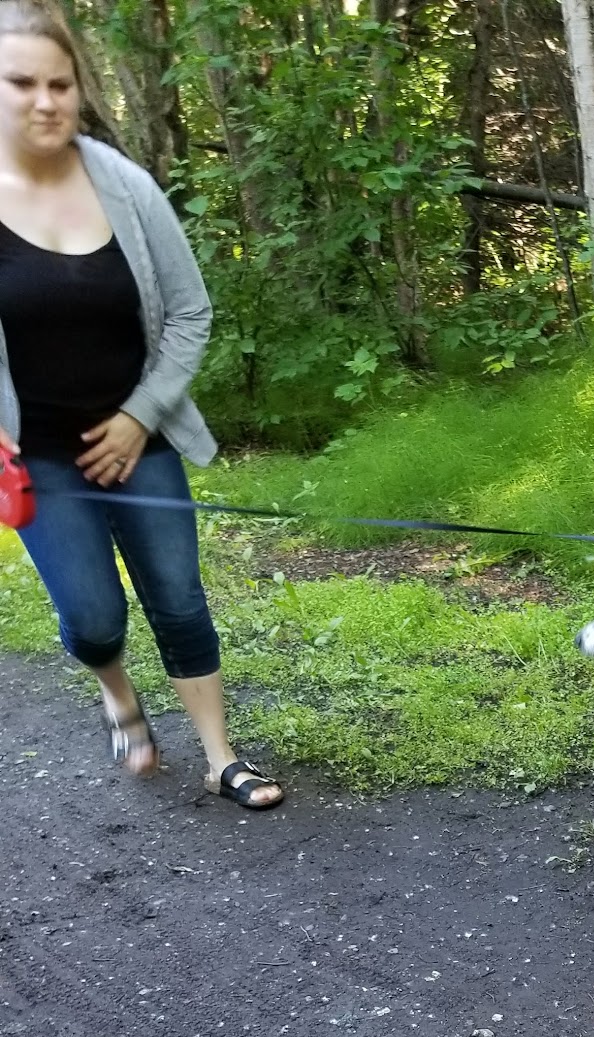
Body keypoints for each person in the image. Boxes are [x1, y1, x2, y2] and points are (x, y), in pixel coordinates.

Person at [0, 2, 281, 808]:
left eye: (60, 84)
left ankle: (221, 757)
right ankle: (117, 694)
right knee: (94, 619)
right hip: (38, 455)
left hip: (141, 435)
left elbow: (191, 311)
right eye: (21, 83)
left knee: (179, 598)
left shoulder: (124, 185)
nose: (45, 101)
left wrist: (140, 415)